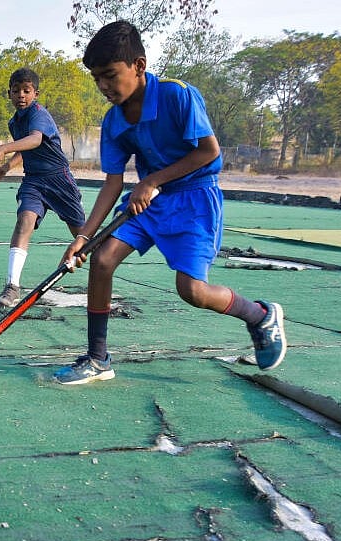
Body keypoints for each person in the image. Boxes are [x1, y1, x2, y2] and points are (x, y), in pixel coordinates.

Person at [54, 20, 285, 385]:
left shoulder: (178, 95)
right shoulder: (114, 121)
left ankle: (259, 315)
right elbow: (113, 183)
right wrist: (84, 236)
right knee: (101, 258)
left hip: (194, 198)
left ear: (139, 66)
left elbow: (209, 152)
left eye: (110, 76)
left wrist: (153, 180)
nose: (103, 87)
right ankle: (98, 358)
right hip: (149, 202)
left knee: (192, 291)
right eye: (97, 79)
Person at [0, 68, 86, 308]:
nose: (21, 95)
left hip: (58, 179)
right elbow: (25, 148)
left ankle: (105, 264)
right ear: (8, 93)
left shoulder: (38, 114)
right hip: (33, 181)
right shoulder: (14, 122)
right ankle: (12, 286)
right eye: (16, 91)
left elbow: (36, 140)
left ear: (35, 94)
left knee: (82, 234)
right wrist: (7, 167)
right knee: (24, 221)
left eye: (26, 91)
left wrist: (3, 147)